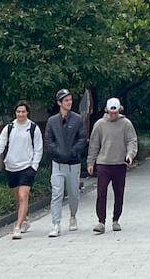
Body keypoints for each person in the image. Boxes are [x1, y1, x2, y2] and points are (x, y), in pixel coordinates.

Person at [0, 100, 43, 239]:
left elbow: (38, 149)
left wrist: (34, 166)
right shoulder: (9, 128)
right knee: (17, 198)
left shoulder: (33, 128)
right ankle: (24, 219)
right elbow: (0, 143)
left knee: (23, 195)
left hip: (27, 167)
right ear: (15, 112)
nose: (21, 114)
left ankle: (17, 227)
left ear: (27, 112)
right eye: (18, 111)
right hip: (11, 166)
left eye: (23, 111)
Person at [86, 97, 138, 234]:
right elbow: (94, 144)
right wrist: (91, 162)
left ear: (119, 110)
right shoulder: (99, 124)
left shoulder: (126, 124)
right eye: (111, 112)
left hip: (119, 163)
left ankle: (116, 219)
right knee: (101, 193)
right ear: (106, 110)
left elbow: (132, 140)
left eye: (115, 112)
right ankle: (101, 221)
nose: (113, 114)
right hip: (103, 163)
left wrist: (130, 154)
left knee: (119, 193)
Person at [45, 88, 87, 237]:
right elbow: (48, 141)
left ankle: (73, 215)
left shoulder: (77, 119)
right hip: (57, 163)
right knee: (57, 193)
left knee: (74, 193)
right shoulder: (52, 121)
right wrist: (56, 152)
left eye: (70, 100)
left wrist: (74, 152)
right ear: (59, 103)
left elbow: (82, 138)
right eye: (66, 100)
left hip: (73, 163)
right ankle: (56, 223)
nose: (69, 102)